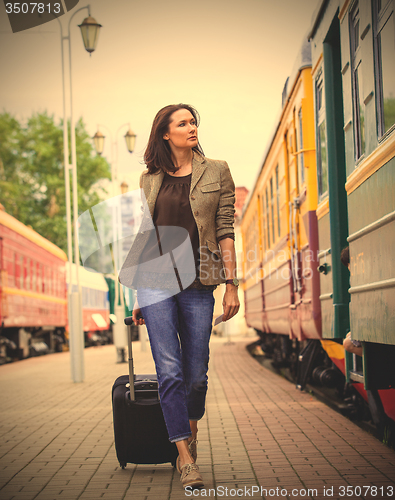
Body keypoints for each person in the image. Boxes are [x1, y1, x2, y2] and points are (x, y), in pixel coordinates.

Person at [119, 104, 240, 489]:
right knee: (168, 371)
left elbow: (224, 228)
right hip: (155, 281)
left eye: (193, 122)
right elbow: (145, 235)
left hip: (199, 283)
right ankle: (184, 456)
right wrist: (138, 294)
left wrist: (233, 283)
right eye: (183, 123)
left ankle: (190, 429)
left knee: (195, 376)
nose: (192, 127)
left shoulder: (217, 170)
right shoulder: (148, 179)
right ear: (165, 134)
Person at [340, 246, 363, 356]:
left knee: (347, 344)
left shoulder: (355, 277)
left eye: (348, 265)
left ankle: (381, 360)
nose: (349, 268)